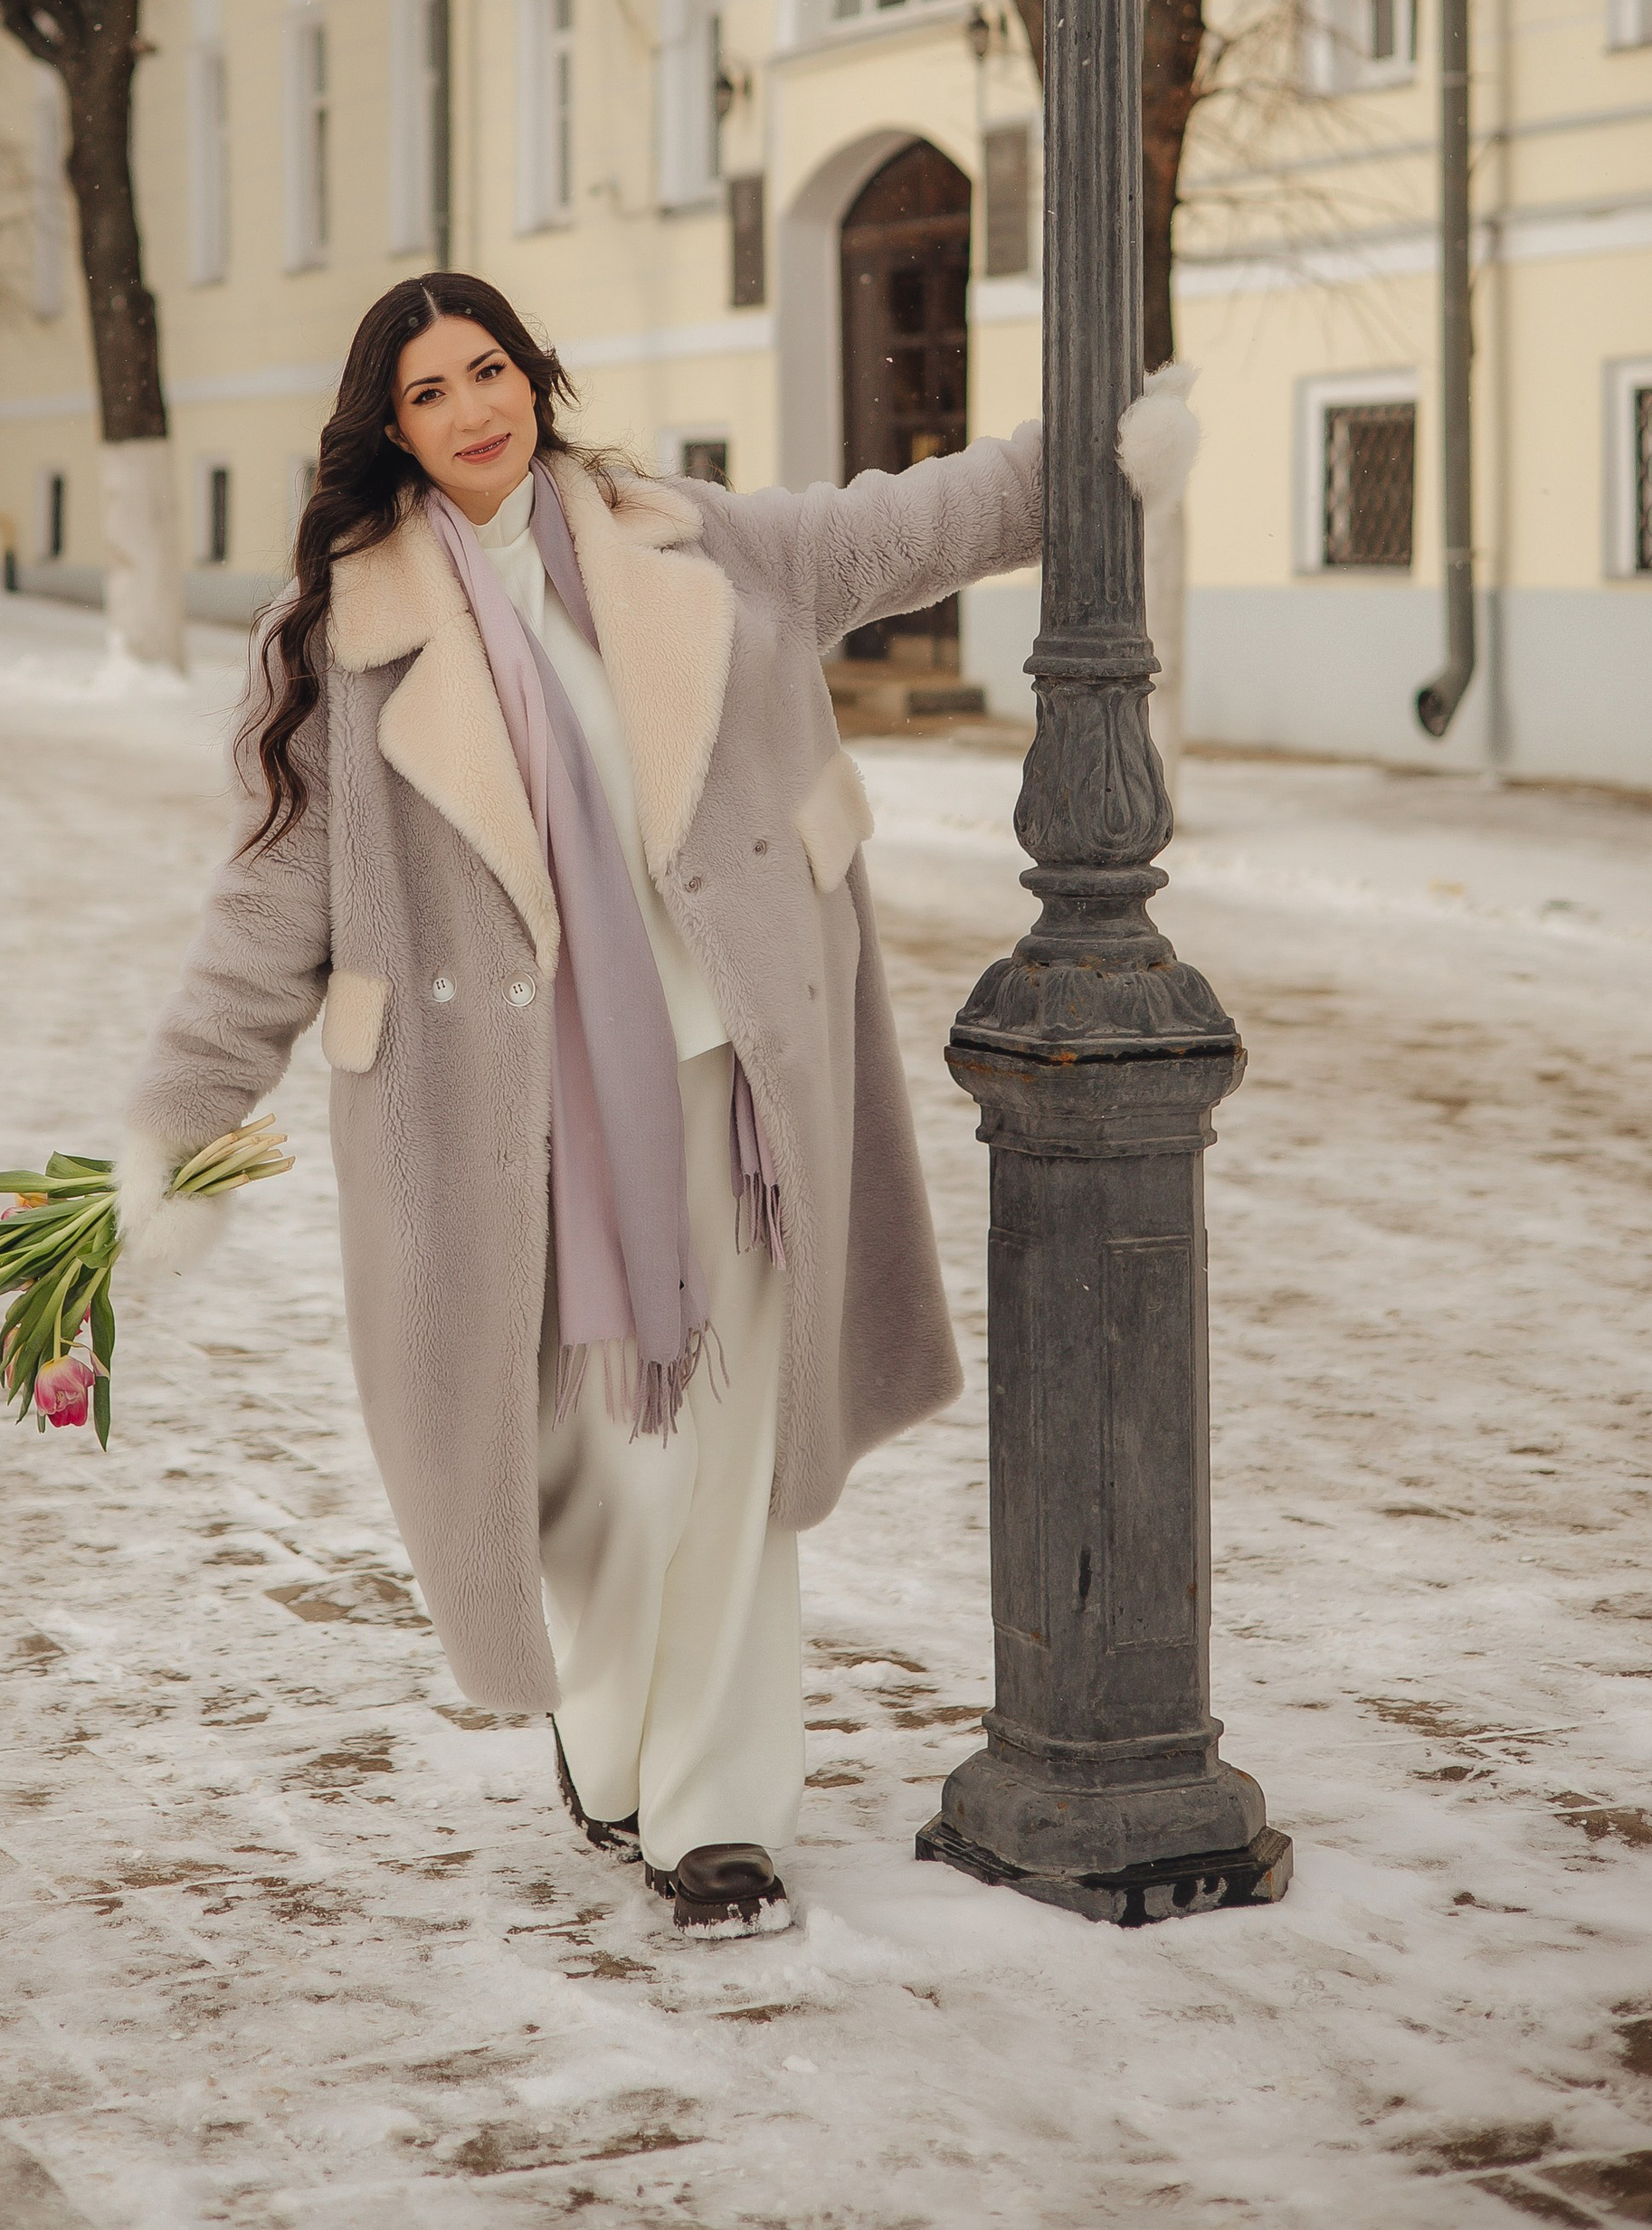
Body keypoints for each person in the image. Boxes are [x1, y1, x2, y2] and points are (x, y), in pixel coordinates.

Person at [115, 272, 1153, 1935]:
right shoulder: (340, 637)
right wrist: (168, 1141)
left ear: (537, 375)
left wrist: (1104, 444)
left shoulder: (694, 543)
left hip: (731, 1089)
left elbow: (923, 524)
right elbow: (264, 920)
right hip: (498, 1133)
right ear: (389, 428)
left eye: (493, 368)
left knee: (719, 1461)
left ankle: (716, 1811)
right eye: (432, 389)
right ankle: (609, 1734)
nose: (474, 408)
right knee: (597, 1474)